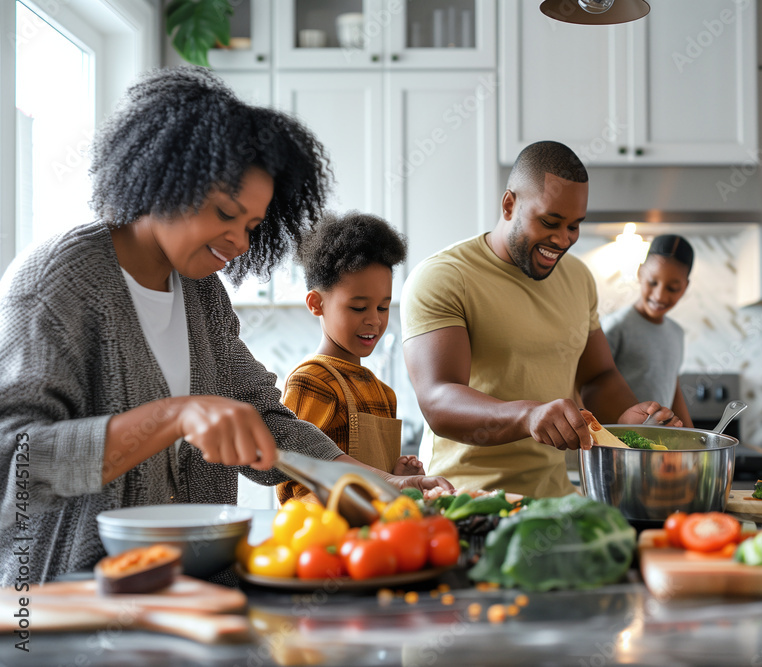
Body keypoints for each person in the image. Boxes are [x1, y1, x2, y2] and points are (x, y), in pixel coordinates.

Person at [0, 67, 445, 585]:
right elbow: (14, 460)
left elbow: (259, 418)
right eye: (224, 214)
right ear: (165, 178)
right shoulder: (60, 282)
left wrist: (369, 478)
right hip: (65, 601)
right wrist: (174, 416)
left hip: (191, 592)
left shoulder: (200, 289)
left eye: (252, 226)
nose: (239, 242)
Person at [401, 140, 680, 498]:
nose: (563, 240)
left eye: (574, 226)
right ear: (508, 205)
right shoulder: (445, 277)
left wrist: (631, 420)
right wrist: (528, 416)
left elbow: (598, 376)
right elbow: (439, 399)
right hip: (468, 498)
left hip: (558, 497)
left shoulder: (578, 278)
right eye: (550, 222)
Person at [277, 212, 442, 504]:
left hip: (372, 537)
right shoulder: (312, 381)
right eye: (358, 308)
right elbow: (297, 479)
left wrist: (396, 475)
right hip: (327, 538)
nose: (374, 321)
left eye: (383, 307)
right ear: (317, 304)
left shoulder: (383, 392)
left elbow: (374, 478)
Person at [603, 235, 695, 428]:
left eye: (672, 288)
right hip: (620, 441)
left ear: (685, 287)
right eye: (653, 282)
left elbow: (673, 387)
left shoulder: (677, 333)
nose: (659, 295)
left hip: (660, 442)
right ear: (640, 272)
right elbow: (592, 389)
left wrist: (693, 441)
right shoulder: (615, 327)